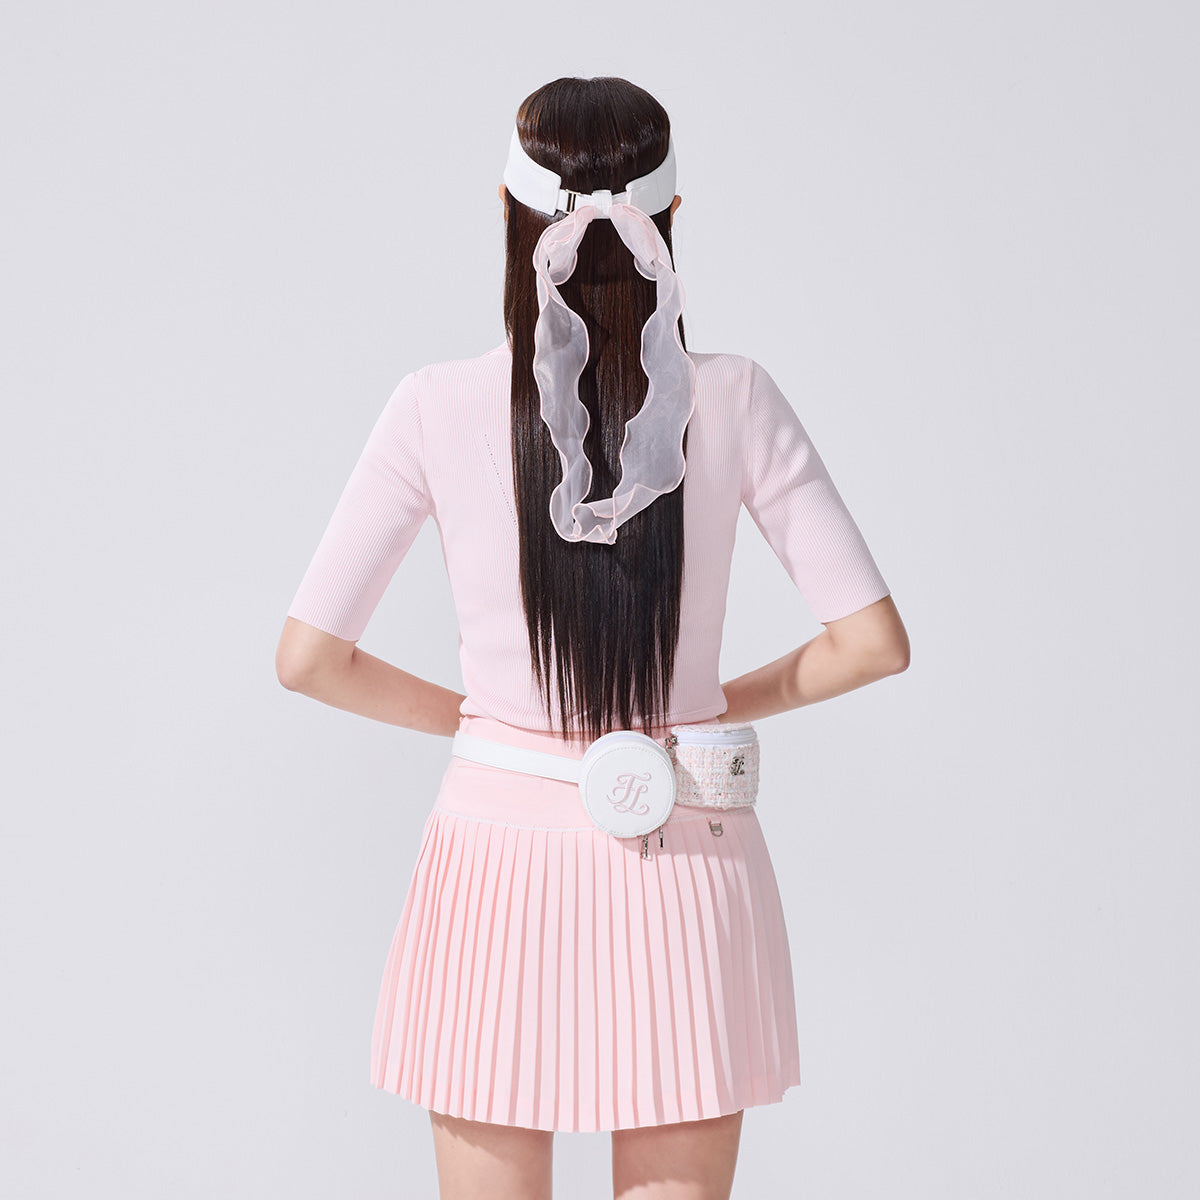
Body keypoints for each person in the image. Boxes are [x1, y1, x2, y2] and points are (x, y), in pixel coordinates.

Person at [276, 75, 910, 1200]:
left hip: (493, 861)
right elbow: (870, 643)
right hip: (686, 853)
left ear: (510, 213)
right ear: (673, 216)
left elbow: (309, 657)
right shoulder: (738, 396)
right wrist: (707, 704)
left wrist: (486, 723)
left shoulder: (433, 404)